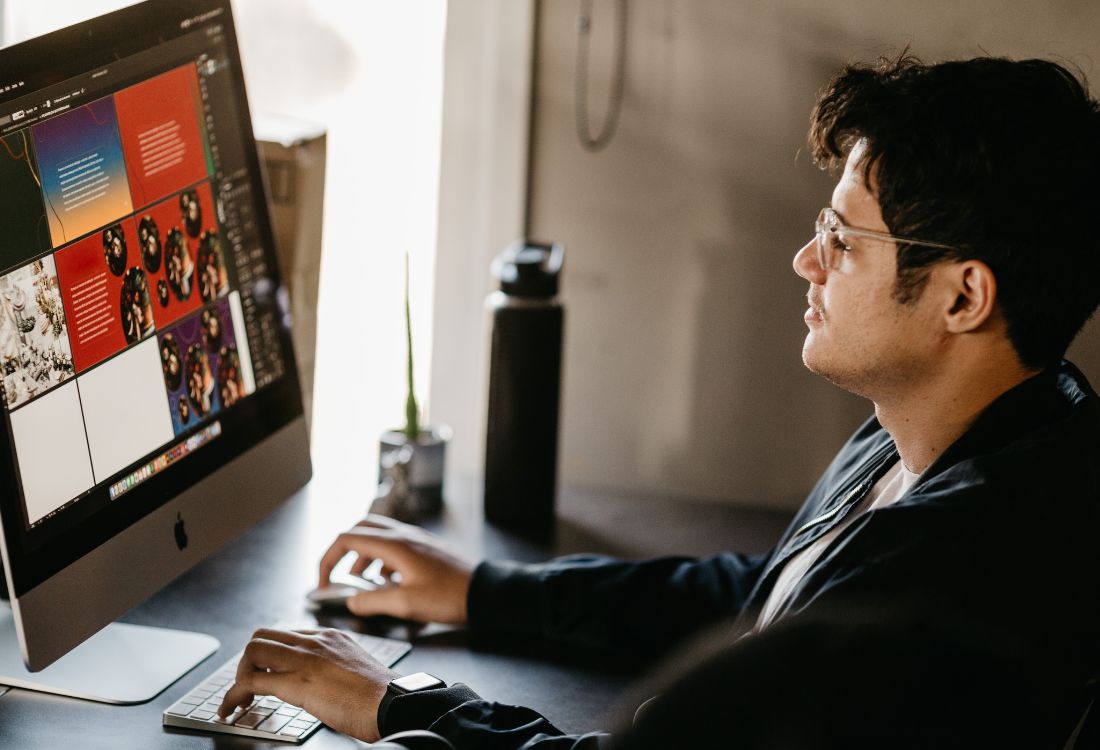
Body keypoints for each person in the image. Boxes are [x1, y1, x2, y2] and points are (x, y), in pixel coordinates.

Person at [219, 54, 1100, 747]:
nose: (806, 260)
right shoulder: (944, 433)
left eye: (842, 239)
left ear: (962, 297)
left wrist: (395, 701)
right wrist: (487, 592)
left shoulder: (950, 575)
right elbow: (768, 596)